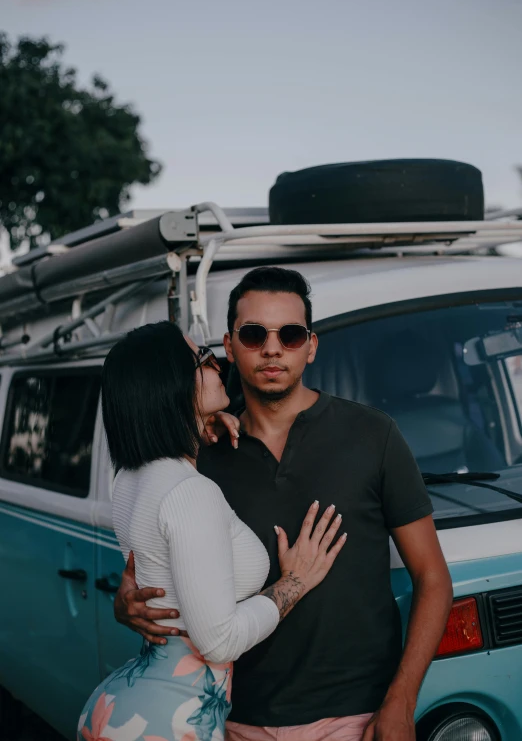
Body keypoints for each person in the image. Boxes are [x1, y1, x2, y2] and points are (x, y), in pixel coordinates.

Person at [114, 267, 454, 741]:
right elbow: (148, 561)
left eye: (290, 335)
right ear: (229, 348)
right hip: (231, 719)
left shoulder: (373, 435)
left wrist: (402, 699)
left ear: (310, 346)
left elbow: (433, 579)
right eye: (254, 334)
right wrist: (126, 602)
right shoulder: (197, 459)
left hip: (352, 718)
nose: (272, 348)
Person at [77, 321, 346, 741]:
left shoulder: (129, 477)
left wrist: (197, 422)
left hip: (132, 702)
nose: (218, 364)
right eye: (203, 360)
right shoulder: (190, 493)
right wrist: (294, 583)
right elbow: (218, 642)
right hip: (172, 721)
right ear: (172, 385)